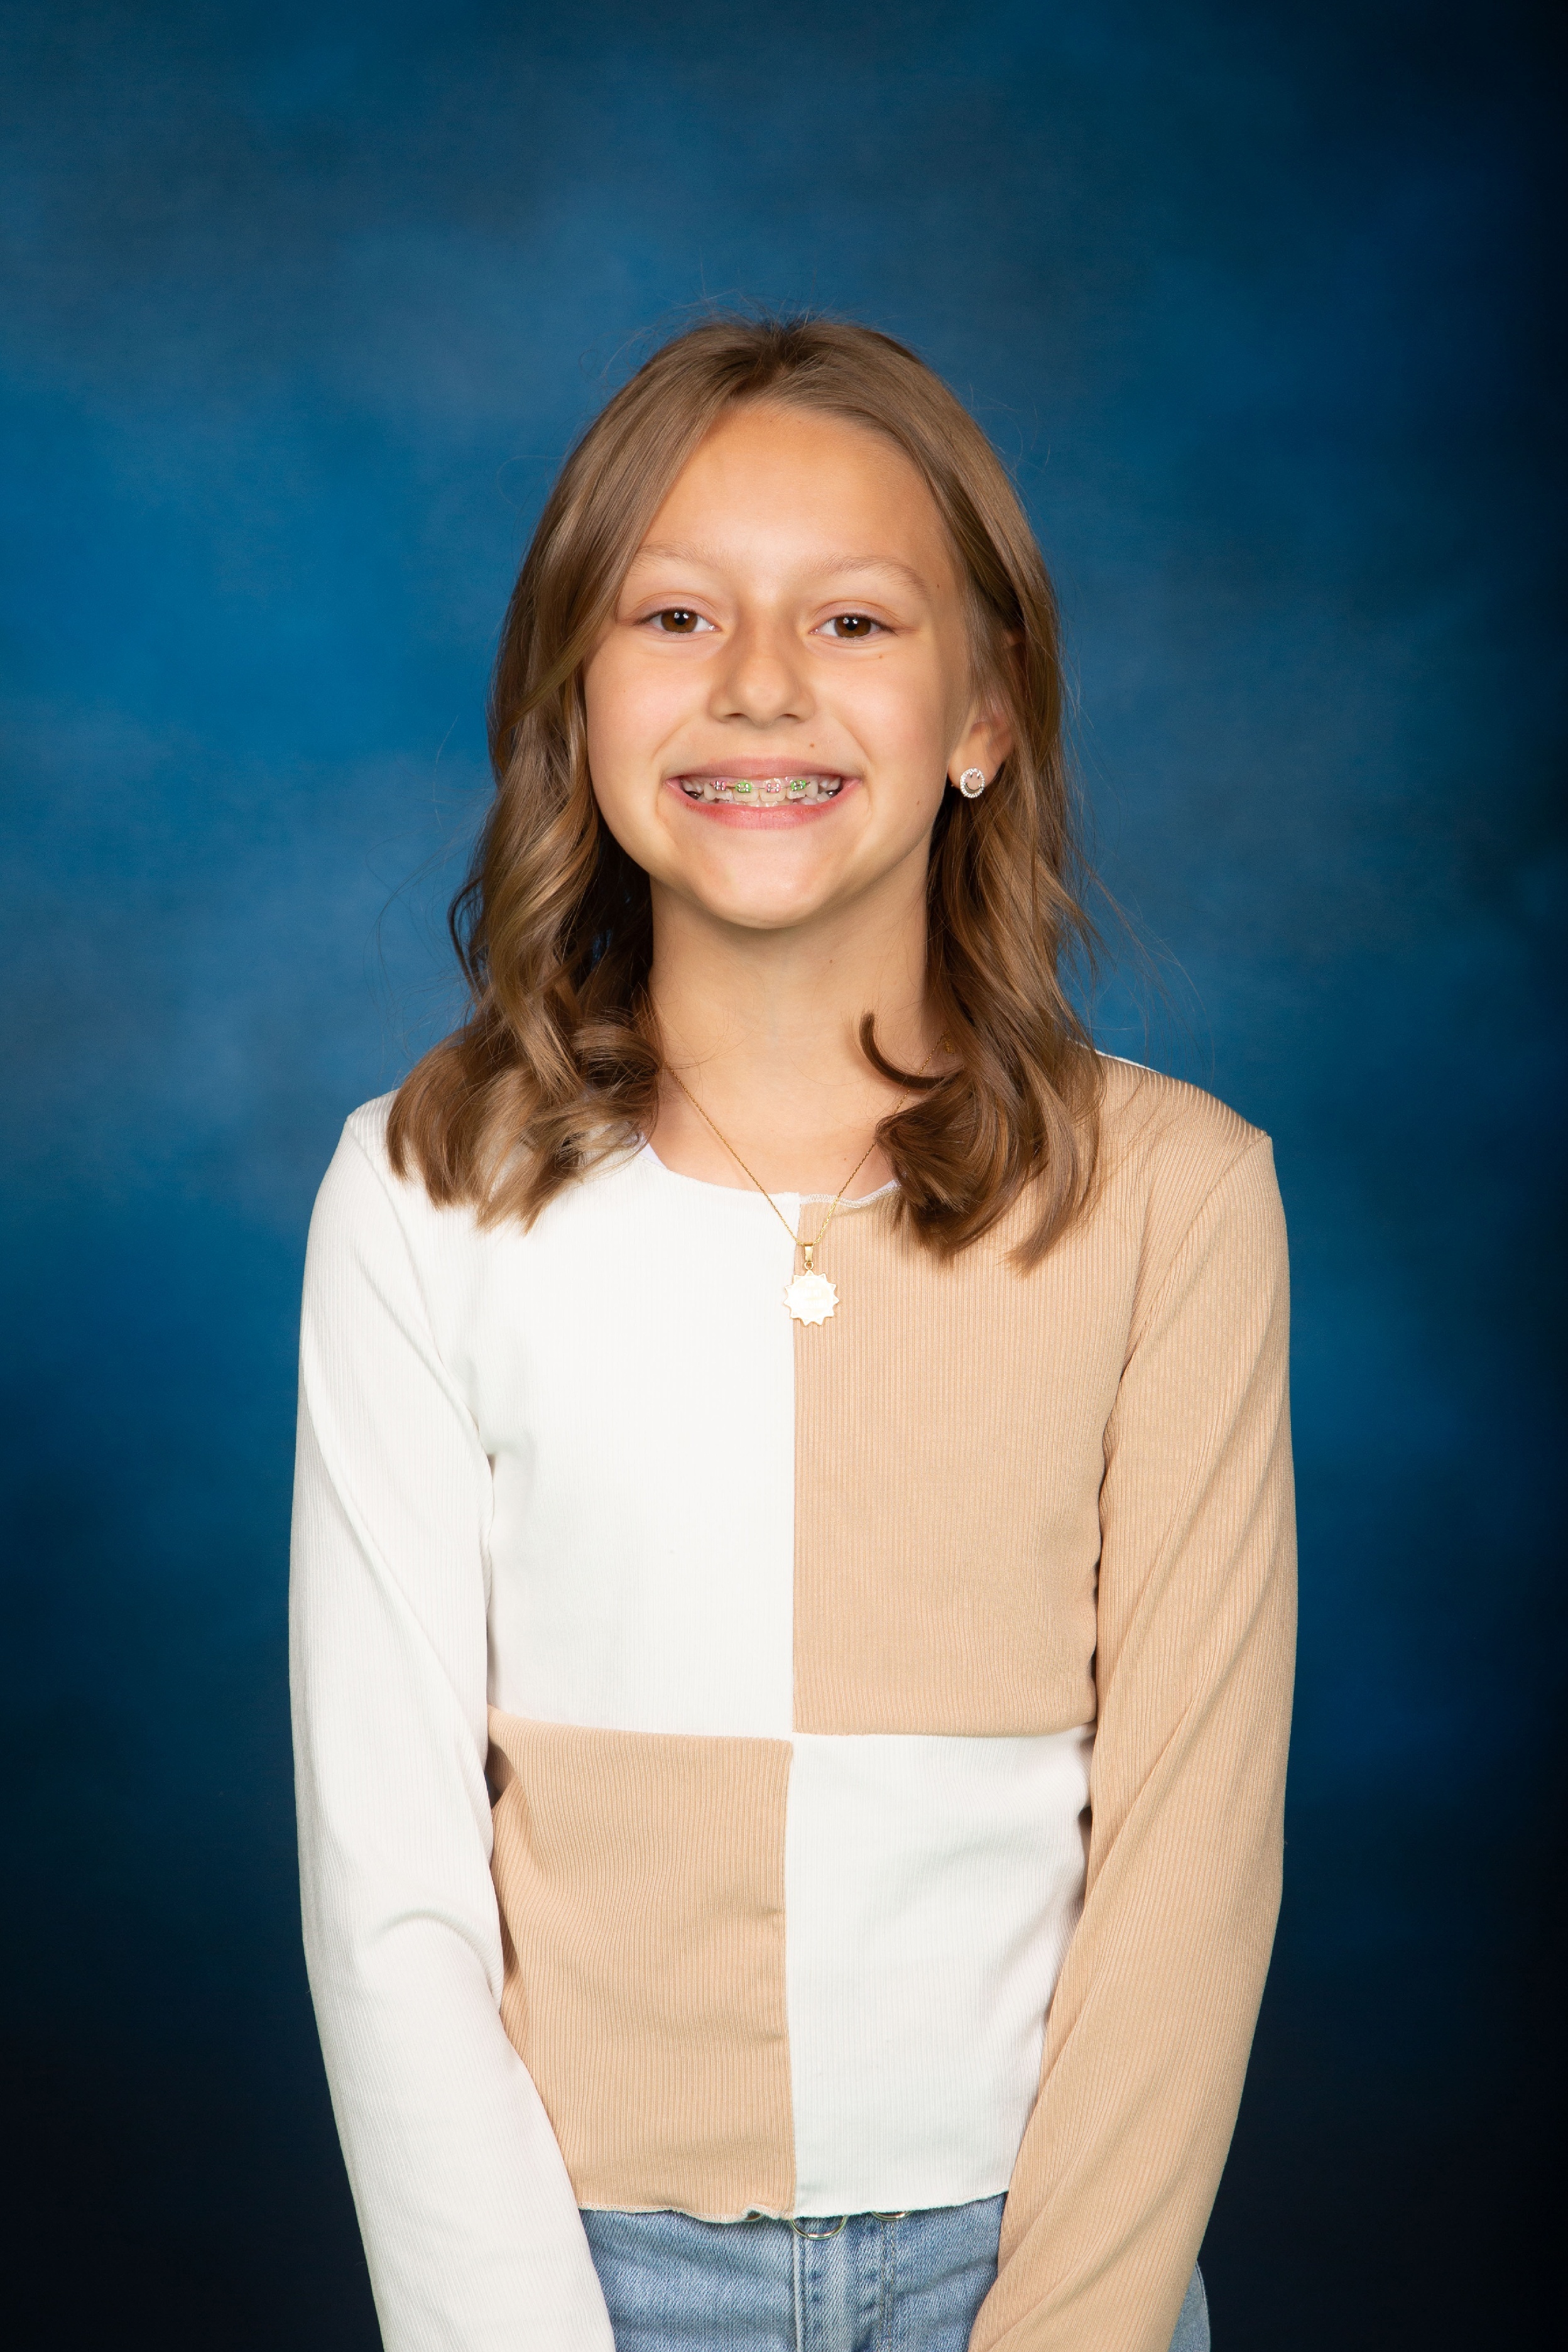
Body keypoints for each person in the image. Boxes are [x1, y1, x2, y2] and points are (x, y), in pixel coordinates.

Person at [290, 315, 1295, 2352]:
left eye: (853, 619)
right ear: (576, 702)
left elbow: (1191, 1861)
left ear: (983, 710)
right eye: (676, 615)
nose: (759, 682)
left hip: (1043, 2266)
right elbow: (390, 1894)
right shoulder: (420, 1189)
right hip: (582, 2276)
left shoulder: (1175, 1198)